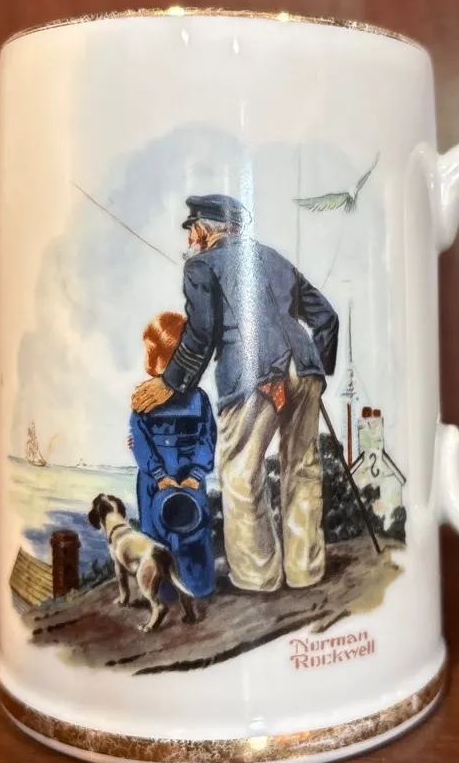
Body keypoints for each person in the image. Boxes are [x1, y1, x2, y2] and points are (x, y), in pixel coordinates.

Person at [132, 194, 339, 593]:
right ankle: (305, 571)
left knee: (241, 475)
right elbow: (326, 317)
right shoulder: (275, 258)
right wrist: (315, 365)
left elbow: (201, 333)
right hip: (305, 371)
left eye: (191, 230)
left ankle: (258, 577)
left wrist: (169, 383)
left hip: (253, 376)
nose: (190, 238)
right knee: (303, 469)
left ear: (203, 230)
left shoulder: (200, 266)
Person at [129, 312, 217, 599]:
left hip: (186, 479)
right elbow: (140, 441)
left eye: (153, 352)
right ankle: (166, 593)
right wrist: (160, 475)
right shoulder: (146, 398)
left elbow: (207, 437)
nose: (148, 360)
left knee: (194, 531)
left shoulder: (198, 399)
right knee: (157, 538)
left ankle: (198, 588)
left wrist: (195, 475)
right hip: (157, 482)